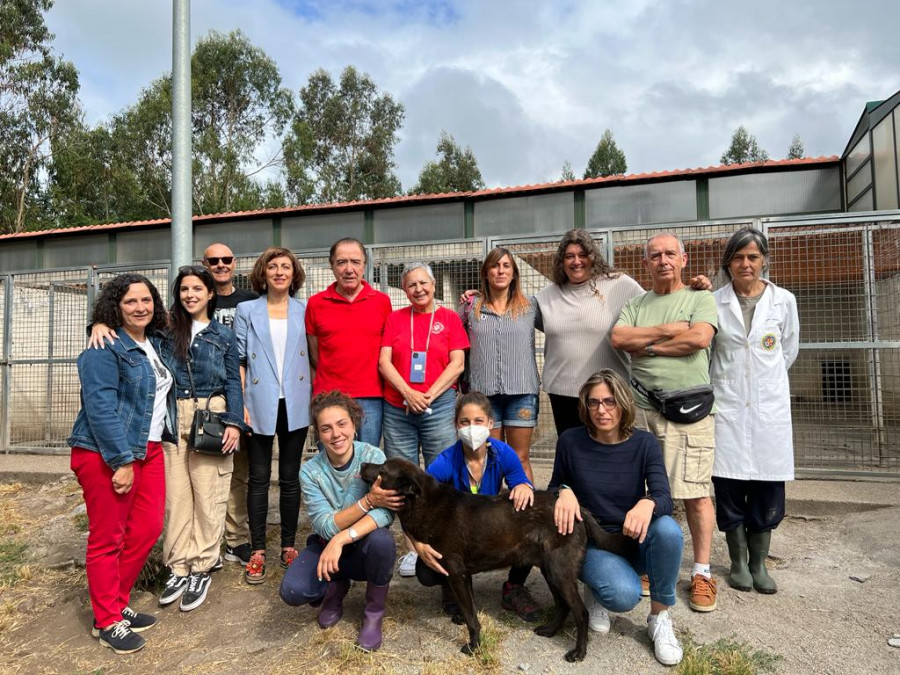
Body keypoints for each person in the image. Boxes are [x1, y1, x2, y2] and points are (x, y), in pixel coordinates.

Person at [611, 233, 719, 613]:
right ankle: (650, 564)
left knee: (695, 492)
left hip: (689, 413)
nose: (663, 261)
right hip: (641, 411)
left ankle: (702, 573)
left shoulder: (699, 297)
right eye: (655, 255)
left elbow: (700, 338)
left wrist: (650, 347)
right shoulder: (637, 303)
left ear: (684, 259)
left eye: (670, 254)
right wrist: (668, 329)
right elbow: (620, 336)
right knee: (645, 494)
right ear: (646, 264)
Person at [68, 274, 173, 654]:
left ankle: (116, 602)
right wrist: (121, 460)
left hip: (151, 448)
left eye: (146, 300)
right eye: (130, 302)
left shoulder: (155, 340)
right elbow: (100, 407)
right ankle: (107, 619)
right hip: (107, 453)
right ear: (116, 306)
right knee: (107, 537)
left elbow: (194, 313)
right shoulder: (103, 347)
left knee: (147, 529)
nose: (140, 307)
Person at [550, 370, 684, 667]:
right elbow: (554, 486)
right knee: (623, 596)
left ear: (623, 403)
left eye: (609, 402)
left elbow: (664, 496)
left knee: (668, 531)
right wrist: (564, 490)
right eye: (594, 402)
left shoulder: (644, 443)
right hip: (593, 543)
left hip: (631, 539)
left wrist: (647, 503)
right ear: (585, 405)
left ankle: (659, 618)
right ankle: (596, 589)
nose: (601, 410)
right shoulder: (571, 441)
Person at [710, 228, 799, 595]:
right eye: (738, 257)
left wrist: (761, 385)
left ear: (764, 260)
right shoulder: (713, 302)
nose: (745, 264)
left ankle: (759, 563)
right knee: (728, 483)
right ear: (728, 262)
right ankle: (737, 561)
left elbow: (787, 351)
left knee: (767, 484)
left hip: (768, 410)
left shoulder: (784, 301)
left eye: (752, 257)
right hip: (728, 406)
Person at [154, 266, 248, 612]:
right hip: (173, 418)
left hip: (212, 416)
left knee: (209, 496)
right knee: (177, 499)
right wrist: (98, 325)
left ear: (211, 293)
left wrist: (234, 423)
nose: (190, 295)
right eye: (184, 290)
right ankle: (179, 565)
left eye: (197, 289)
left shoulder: (223, 336)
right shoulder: (163, 331)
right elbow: (125, 325)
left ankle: (203, 565)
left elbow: (234, 382)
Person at [280, 391, 400, 651]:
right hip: (327, 547)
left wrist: (341, 537)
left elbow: (386, 513)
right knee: (293, 591)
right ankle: (335, 589)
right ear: (318, 434)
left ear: (354, 424)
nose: (336, 434)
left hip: (361, 546)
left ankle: (374, 612)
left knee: (383, 542)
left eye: (342, 424)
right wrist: (368, 501)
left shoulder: (374, 457)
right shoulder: (310, 471)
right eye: (326, 428)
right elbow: (324, 524)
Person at [409, 391, 539, 622]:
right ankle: (453, 585)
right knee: (425, 572)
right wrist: (418, 544)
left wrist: (523, 486)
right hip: (458, 535)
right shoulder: (447, 460)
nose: (471, 428)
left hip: (489, 527)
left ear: (490, 423)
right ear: (455, 425)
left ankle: (514, 587)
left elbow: (521, 481)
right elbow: (418, 500)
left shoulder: (502, 452)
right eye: (464, 422)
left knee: (530, 526)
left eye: (478, 421)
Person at [379, 261, 468, 577]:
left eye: (423, 283)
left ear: (433, 285)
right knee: (402, 478)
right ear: (405, 290)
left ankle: (443, 541)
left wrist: (427, 394)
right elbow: (384, 362)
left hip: (439, 406)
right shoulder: (395, 319)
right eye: (411, 285)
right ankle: (411, 549)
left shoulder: (449, 318)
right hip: (398, 408)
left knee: (439, 475)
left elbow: (457, 363)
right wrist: (408, 392)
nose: (418, 289)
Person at [234, 247, 312, 583]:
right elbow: (239, 360)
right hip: (259, 402)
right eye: (272, 267)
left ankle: (289, 546)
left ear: (294, 275)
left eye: (285, 267)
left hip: (295, 402)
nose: (279, 272)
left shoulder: (305, 310)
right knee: (259, 478)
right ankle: (258, 550)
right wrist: (242, 405)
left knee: (291, 478)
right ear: (262, 273)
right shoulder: (246, 310)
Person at [535, 229, 644, 435]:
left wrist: (694, 290)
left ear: (593, 256)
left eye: (582, 255)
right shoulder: (545, 297)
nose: (576, 261)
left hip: (610, 391)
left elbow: (653, 306)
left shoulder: (620, 285)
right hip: (563, 393)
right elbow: (511, 310)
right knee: (574, 457)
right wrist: (479, 298)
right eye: (570, 256)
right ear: (561, 261)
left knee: (610, 453)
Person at [460, 247, 540, 482]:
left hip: (522, 392)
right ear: (486, 273)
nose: (500, 271)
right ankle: (487, 515)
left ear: (514, 273)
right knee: (489, 458)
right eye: (495, 266)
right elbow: (454, 343)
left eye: (506, 266)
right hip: (483, 396)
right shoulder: (470, 307)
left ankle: (526, 515)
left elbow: (558, 328)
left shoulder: (531, 307)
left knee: (519, 458)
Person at [203, 242, 258, 568]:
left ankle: (236, 541)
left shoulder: (250, 300)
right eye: (213, 260)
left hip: (247, 396)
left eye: (226, 259)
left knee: (242, 473)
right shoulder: (196, 299)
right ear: (205, 264)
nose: (220, 264)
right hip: (209, 398)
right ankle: (210, 542)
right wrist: (98, 322)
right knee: (210, 473)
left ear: (234, 263)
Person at [305, 237, 392, 446]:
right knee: (330, 461)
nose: (349, 269)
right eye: (341, 262)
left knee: (367, 460)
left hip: (371, 396)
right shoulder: (316, 304)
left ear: (364, 265)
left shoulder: (381, 302)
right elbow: (315, 353)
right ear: (332, 266)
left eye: (355, 261)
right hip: (328, 397)